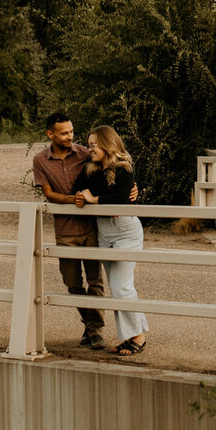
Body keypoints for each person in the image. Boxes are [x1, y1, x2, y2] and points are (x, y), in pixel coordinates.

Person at [32, 112, 109, 350]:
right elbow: (48, 194)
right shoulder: (40, 160)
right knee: (72, 282)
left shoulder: (85, 154)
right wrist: (71, 199)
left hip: (91, 228)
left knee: (95, 280)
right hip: (65, 230)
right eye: (64, 133)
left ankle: (95, 331)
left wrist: (130, 188)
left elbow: (111, 169)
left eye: (72, 131)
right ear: (50, 134)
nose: (70, 136)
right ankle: (89, 323)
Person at [72, 125, 148, 358]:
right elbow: (77, 189)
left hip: (126, 231)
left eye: (94, 145)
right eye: (88, 144)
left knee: (123, 286)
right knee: (118, 288)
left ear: (107, 144)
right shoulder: (90, 170)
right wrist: (89, 197)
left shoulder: (125, 167)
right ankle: (132, 334)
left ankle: (138, 337)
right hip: (104, 232)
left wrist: (94, 199)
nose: (89, 149)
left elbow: (121, 198)